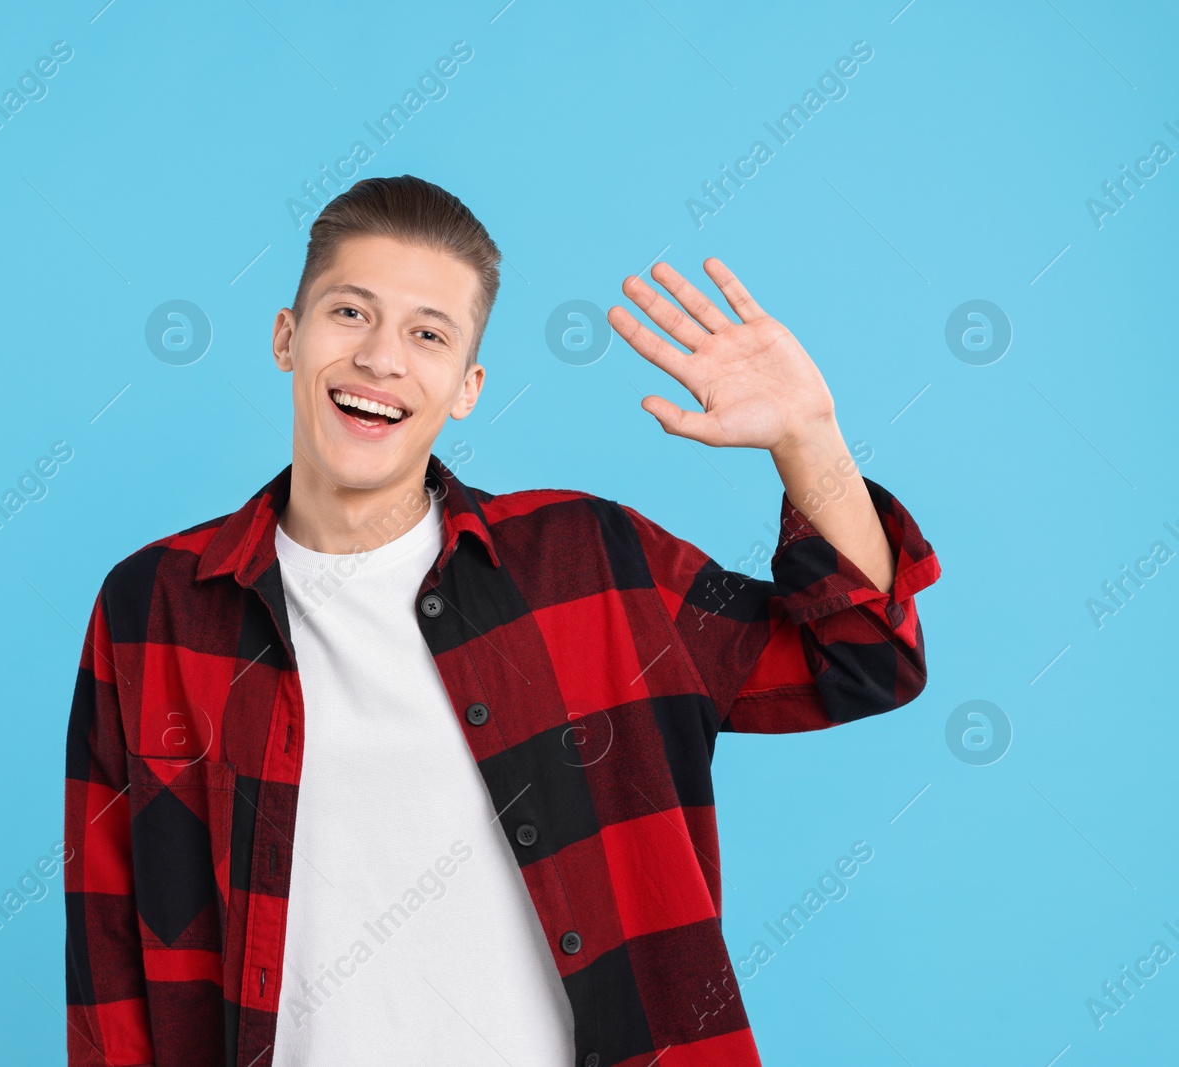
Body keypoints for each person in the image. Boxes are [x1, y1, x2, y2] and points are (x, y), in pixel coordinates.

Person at [63, 175, 941, 1067]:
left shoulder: (593, 565)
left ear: (468, 386)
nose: (381, 359)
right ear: (287, 338)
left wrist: (808, 439)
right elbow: (113, 958)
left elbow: (865, 658)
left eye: (428, 334)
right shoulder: (155, 609)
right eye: (349, 313)